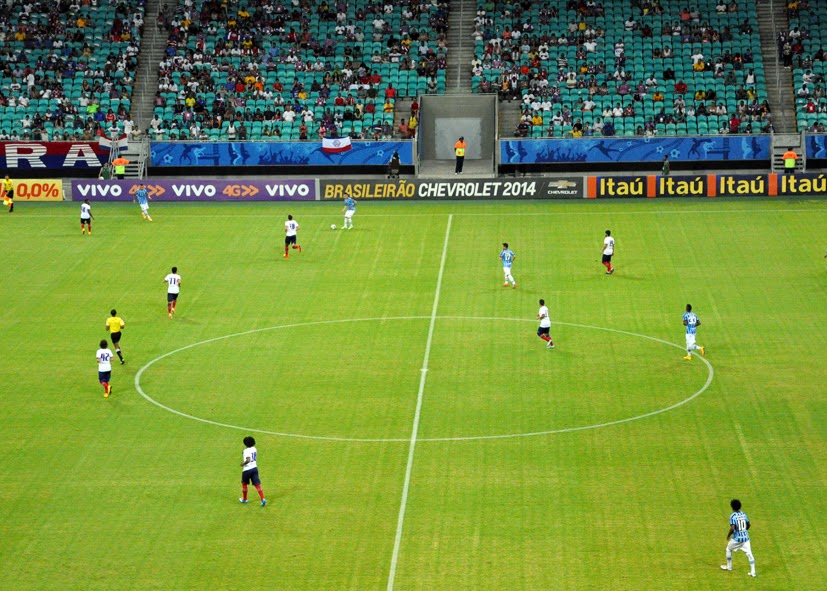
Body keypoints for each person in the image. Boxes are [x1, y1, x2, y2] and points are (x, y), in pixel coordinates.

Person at [721, 499, 756, 577]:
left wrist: (728, 536)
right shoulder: (744, 514)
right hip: (746, 538)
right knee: (749, 553)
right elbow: (748, 524)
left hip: (737, 539)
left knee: (728, 549)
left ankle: (729, 567)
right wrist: (744, 530)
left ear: (732, 507)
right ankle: (753, 572)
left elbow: (732, 528)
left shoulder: (733, 516)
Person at [239, 436, 266, 507]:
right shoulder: (254, 449)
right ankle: (263, 498)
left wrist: (243, 464)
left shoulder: (246, 451)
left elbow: (248, 460)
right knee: (257, 484)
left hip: (247, 470)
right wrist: (243, 452)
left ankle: (244, 499)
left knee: (244, 483)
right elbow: (247, 452)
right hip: (254, 468)